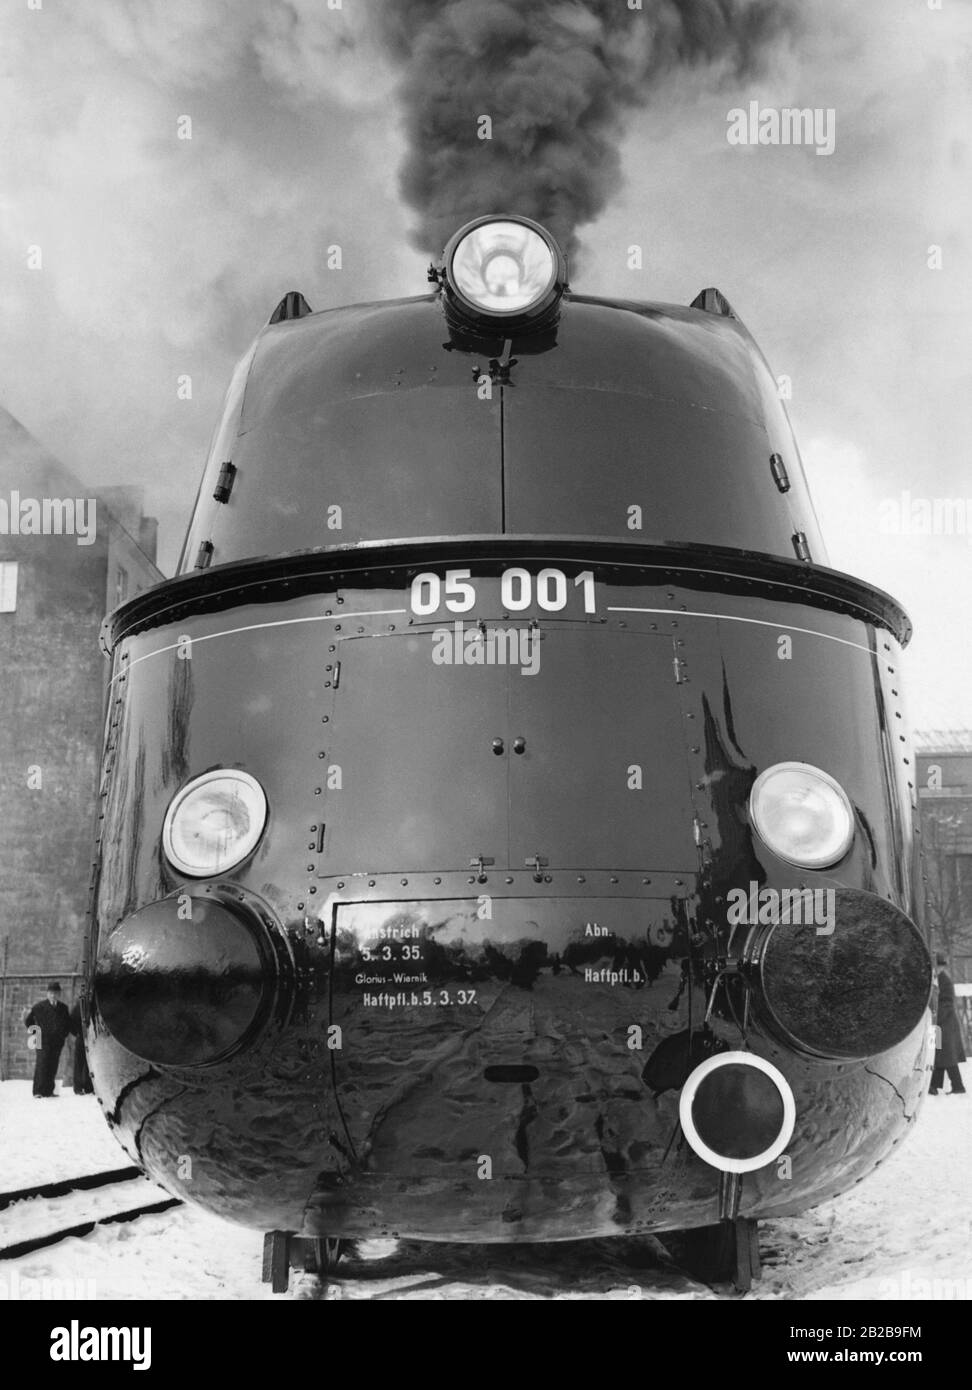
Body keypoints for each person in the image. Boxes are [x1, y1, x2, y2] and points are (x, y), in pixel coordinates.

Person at [23, 982, 71, 1098]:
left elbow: (67, 1024)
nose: (53, 995)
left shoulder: (63, 1008)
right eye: (50, 993)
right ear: (47, 994)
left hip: (56, 1042)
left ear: (59, 994)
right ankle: (38, 1091)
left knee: (53, 1065)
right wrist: (36, 1033)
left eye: (55, 993)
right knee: (42, 1064)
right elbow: (28, 1021)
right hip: (41, 1040)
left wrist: (62, 1035)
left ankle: (49, 1091)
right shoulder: (39, 1007)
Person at [930, 954, 967, 1095]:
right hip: (937, 1024)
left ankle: (957, 1086)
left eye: (941, 966)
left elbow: (946, 1003)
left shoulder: (944, 981)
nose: (939, 968)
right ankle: (934, 1085)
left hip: (944, 1023)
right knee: (936, 1055)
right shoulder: (936, 979)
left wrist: (935, 1017)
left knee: (946, 1056)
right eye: (938, 965)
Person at [68, 999, 93, 1095]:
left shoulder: (95, 1003)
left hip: (93, 1039)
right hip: (82, 1038)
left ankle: (89, 1087)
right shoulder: (80, 1005)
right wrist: (79, 1033)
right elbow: (71, 1021)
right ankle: (78, 1087)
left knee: (89, 1063)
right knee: (79, 1063)